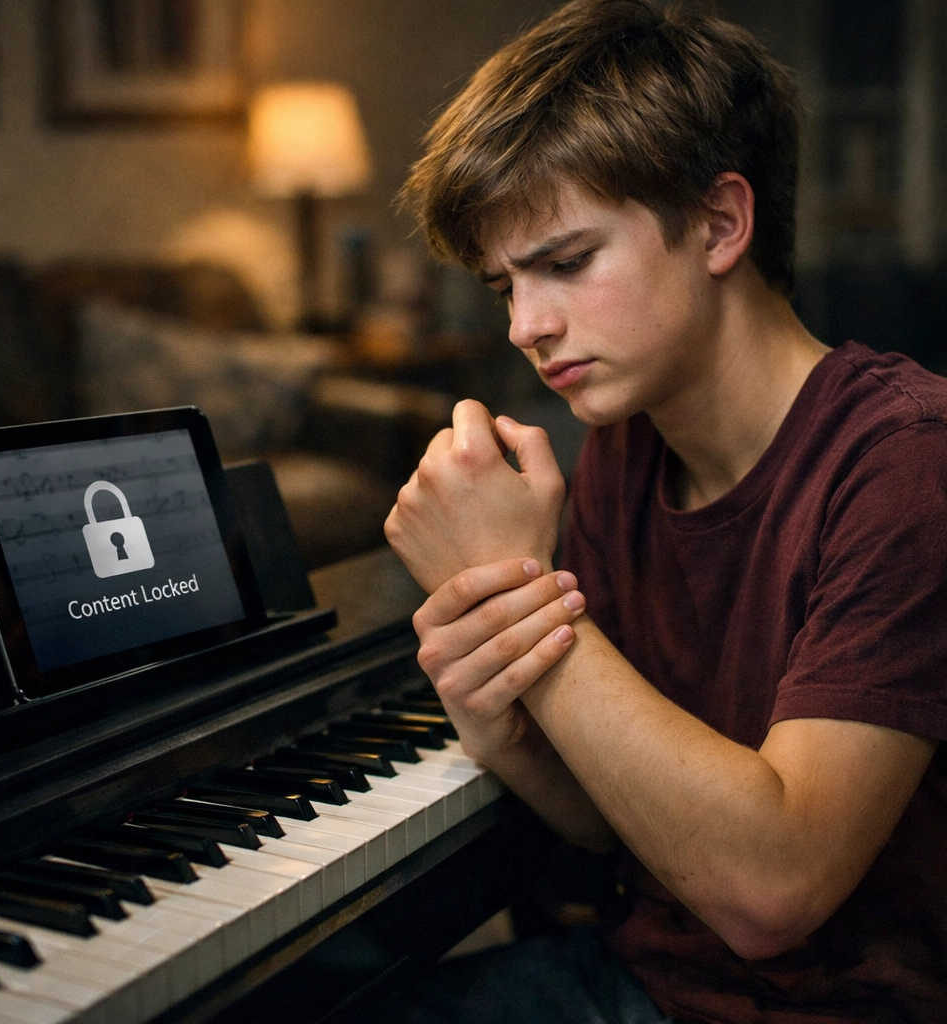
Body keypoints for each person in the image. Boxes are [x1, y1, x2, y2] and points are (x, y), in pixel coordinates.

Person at [382, 1, 947, 1021]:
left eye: (565, 263)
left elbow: (773, 891)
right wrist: (497, 720)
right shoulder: (625, 449)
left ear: (720, 223)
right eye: (503, 286)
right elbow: (614, 826)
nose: (524, 326)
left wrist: (527, 614)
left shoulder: (909, 458)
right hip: (647, 977)